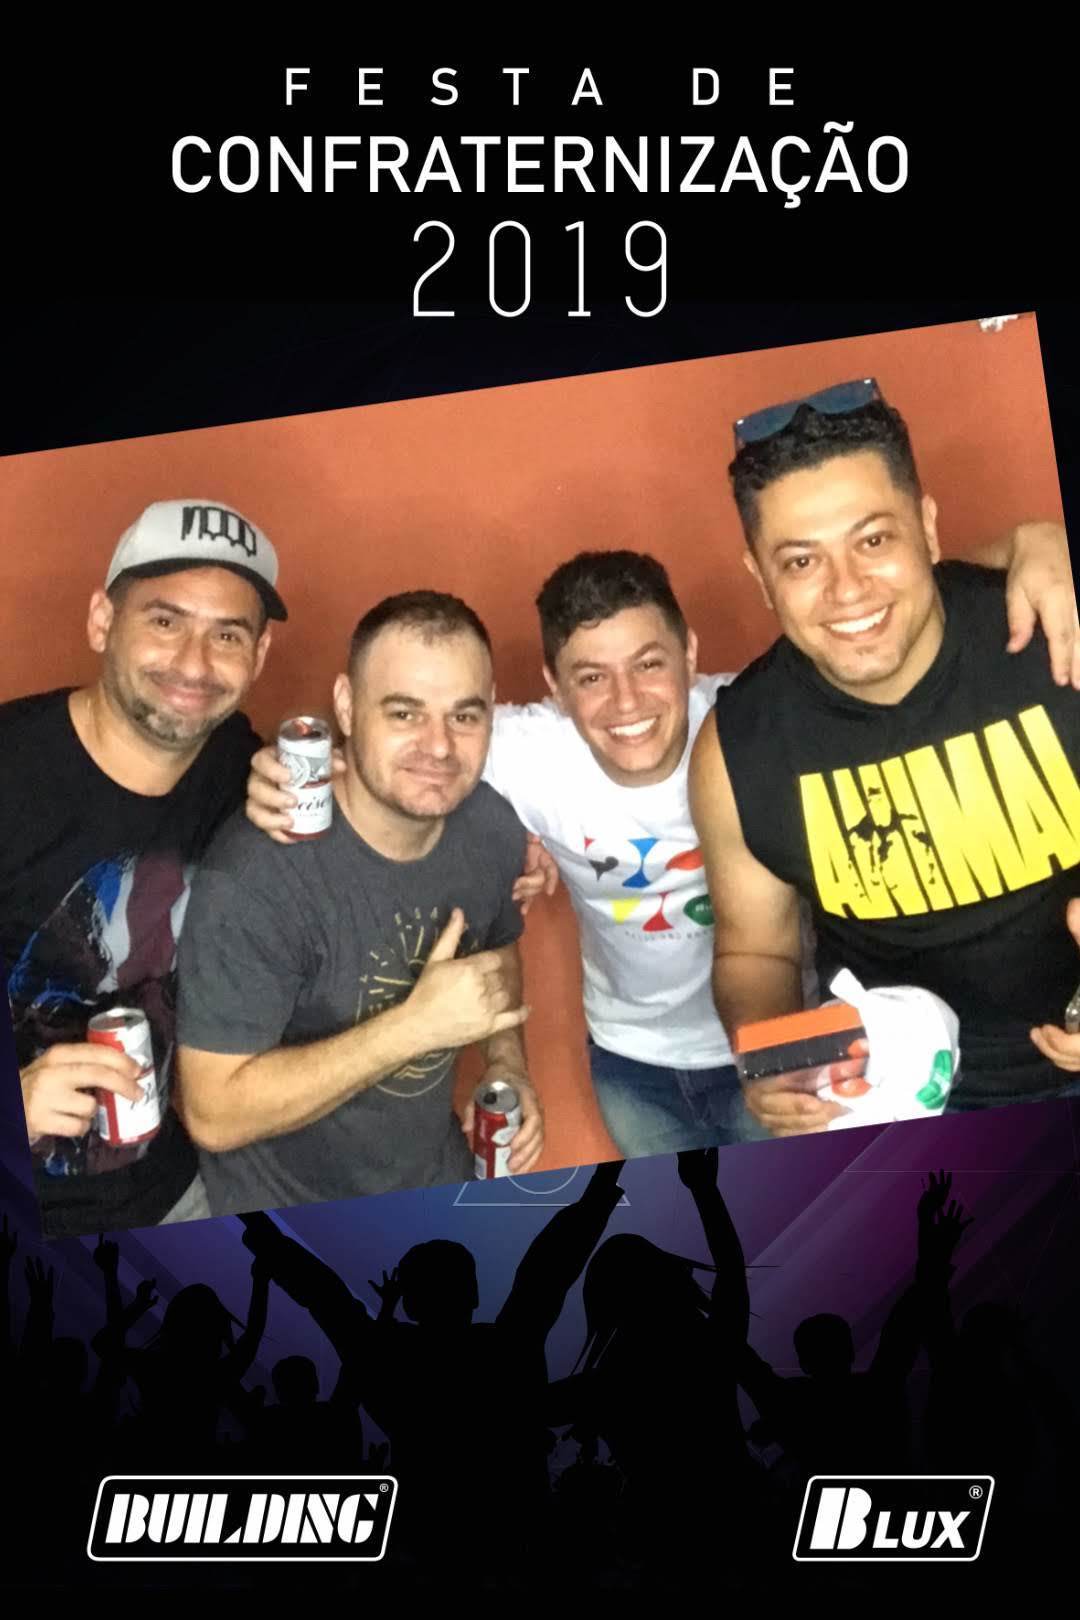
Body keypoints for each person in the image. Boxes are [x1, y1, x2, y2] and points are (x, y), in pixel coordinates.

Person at [247, 530, 1075, 1159]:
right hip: (630, 1063)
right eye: (590, 677)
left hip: (791, 1046)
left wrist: (1031, 541)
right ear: (552, 686)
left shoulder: (759, 722)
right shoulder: (521, 748)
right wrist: (287, 772)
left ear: (691, 654)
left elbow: (892, 611)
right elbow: (404, 749)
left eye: (649, 664)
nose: (627, 703)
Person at [690, 379, 1080, 1135]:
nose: (847, 590)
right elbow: (754, 954)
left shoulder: (1053, 638)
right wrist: (769, 1055)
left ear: (927, 529)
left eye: (873, 541)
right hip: (895, 1100)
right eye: (800, 561)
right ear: (760, 578)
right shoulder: (739, 747)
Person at [175, 590, 544, 1216]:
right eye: (404, 713)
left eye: (464, 716)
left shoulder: (490, 827)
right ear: (346, 706)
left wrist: (507, 1065)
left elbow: (497, 949)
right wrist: (415, 1028)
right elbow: (214, 1113)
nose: (439, 747)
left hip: (438, 1180)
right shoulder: (257, 876)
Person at [1, 499, 280, 1236]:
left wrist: (518, 849)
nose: (194, 663)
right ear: (102, 621)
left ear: (259, 656)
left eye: (227, 634)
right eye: (164, 620)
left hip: (171, 1190)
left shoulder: (237, 765)